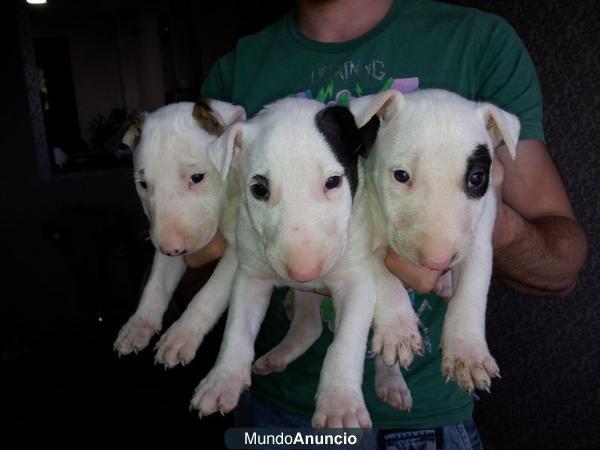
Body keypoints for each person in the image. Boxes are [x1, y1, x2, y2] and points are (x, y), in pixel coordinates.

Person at [185, 0, 588, 448]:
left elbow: (562, 266)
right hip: (273, 413)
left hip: (426, 420)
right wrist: (207, 242)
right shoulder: (236, 71)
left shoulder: (478, 42)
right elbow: (194, 253)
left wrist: (480, 215)